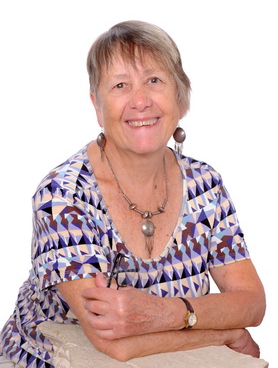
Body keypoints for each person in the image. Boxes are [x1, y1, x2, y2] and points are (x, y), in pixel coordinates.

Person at [0, 20, 266, 367]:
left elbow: (251, 303)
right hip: (51, 360)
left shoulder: (206, 184)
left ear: (181, 97)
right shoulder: (62, 197)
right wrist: (225, 333)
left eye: (154, 81)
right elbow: (115, 345)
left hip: (163, 357)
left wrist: (164, 312)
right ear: (97, 106)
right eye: (120, 85)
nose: (140, 101)